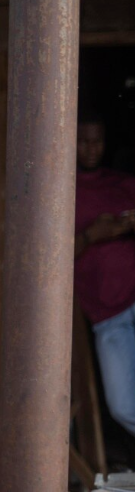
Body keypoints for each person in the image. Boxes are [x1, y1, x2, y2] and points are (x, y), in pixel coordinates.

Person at [74, 111, 135, 441]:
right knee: (124, 405)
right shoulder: (61, 192)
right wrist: (92, 235)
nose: (91, 149)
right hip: (107, 315)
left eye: (97, 141)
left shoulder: (123, 184)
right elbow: (48, 255)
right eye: (83, 141)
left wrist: (126, 225)